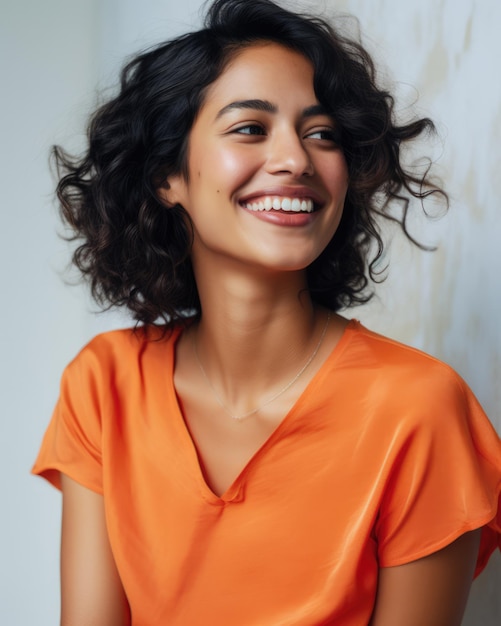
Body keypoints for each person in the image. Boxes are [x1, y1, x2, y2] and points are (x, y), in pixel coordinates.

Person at [32, 0, 501, 624]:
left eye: (322, 134)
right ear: (168, 176)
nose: (298, 160)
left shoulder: (419, 409)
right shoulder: (104, 385)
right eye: (251, 128)